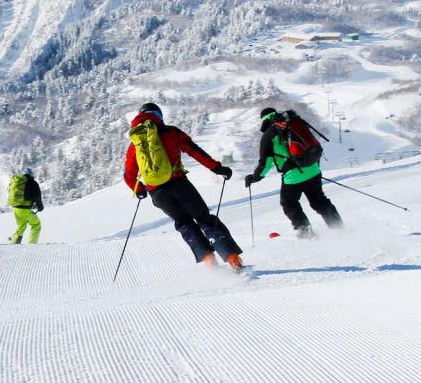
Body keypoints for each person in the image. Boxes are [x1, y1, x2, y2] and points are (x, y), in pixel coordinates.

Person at [122, 103, 244, 270]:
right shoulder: (171, 132)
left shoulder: (135, 144)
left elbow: (128, 175)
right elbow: (195, 151)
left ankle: (209, 261)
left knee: (183, 222)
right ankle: (232, 259)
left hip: (158, 193)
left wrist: (139, 190)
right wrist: (217, 168)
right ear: (159, 116)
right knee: (204, 218)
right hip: (179, 184)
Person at [245, 108, 342, 239]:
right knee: (319, 201)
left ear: (263, 120)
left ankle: (306, 232)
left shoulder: (269, 135)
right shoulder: (295, 122)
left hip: (293, 176)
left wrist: (254, 178)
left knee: (289, 202)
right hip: (313, 169)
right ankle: (339, 228)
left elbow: (265, 163)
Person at [8, 168, 45, 244]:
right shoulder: (32, 182)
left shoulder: (18, 181)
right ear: (32, 174)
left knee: (22, 225)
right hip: (24, 209)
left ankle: (14, 242)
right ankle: (32, 244)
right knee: (36, 224)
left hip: (15, 209)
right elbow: (37, 196)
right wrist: (40, 206)